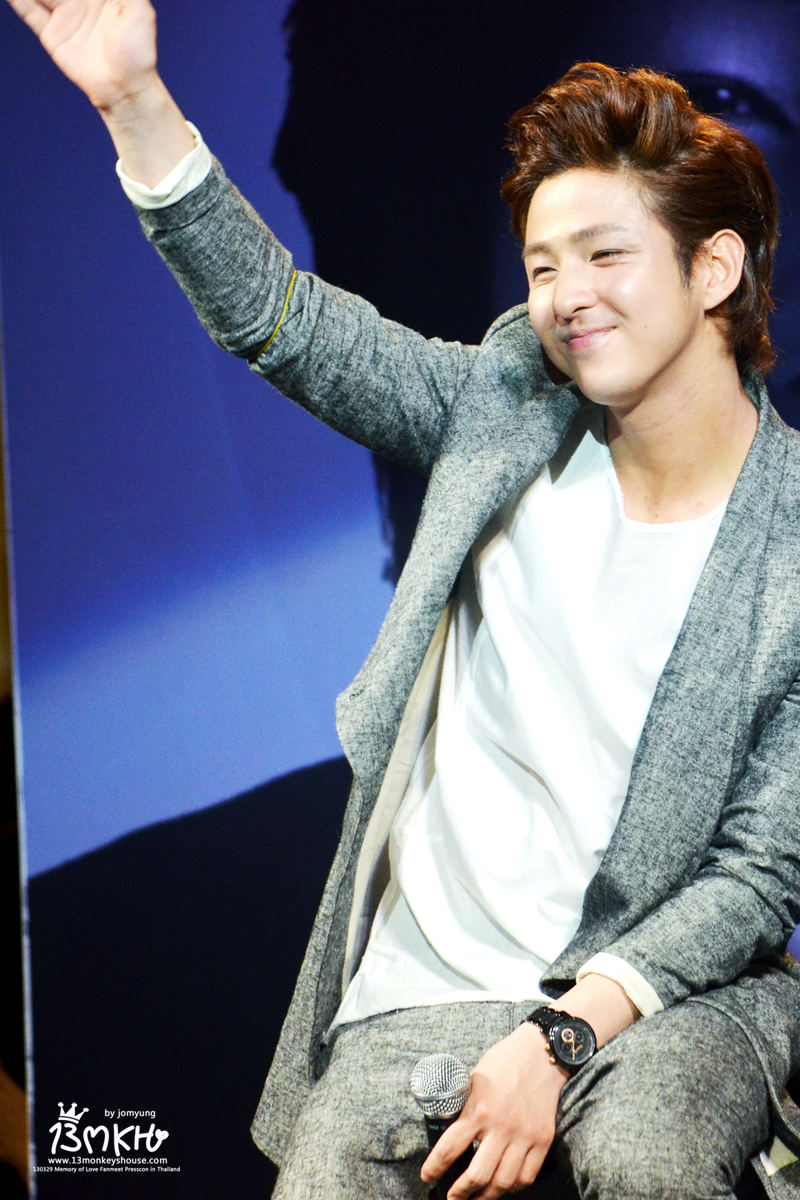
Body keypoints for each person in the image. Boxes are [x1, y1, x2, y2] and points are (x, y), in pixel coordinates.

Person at [7, 3, 800, 1199]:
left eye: (602, 256)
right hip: (431, 985)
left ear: (712, 268)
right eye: (541, 266)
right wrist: (134, 103)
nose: (565, 296)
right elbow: (287, 324)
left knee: (645, 1155)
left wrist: (560, 1037)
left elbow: (756, 873)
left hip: (662, 987)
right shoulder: (501, 411)